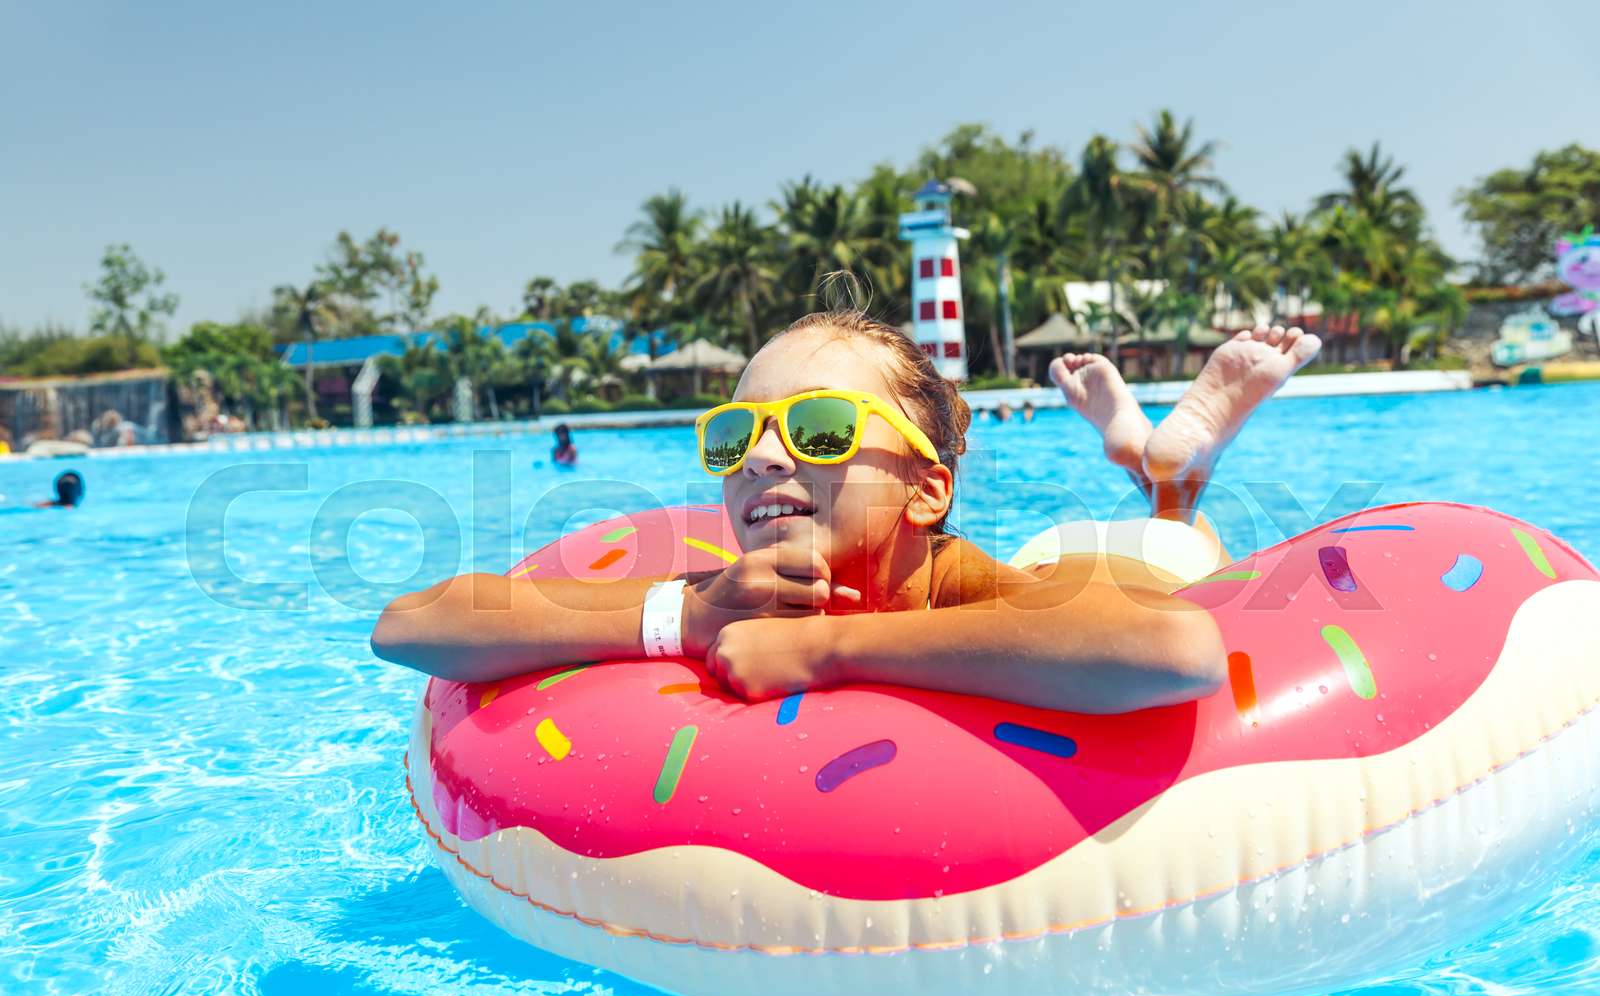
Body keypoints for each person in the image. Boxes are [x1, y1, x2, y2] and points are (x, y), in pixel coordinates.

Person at [373, 305, 1319, 715]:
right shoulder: (729, 592)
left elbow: (1176, 650)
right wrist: (686, 618)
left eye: (822, 427)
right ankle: (1148, 458)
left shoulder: (968, 584)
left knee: (1180, 543)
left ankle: (1165, 473)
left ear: (927, 488)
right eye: (735, 432)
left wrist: (826, 648)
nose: (766, 455)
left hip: (1121, 562)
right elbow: (411, 624)